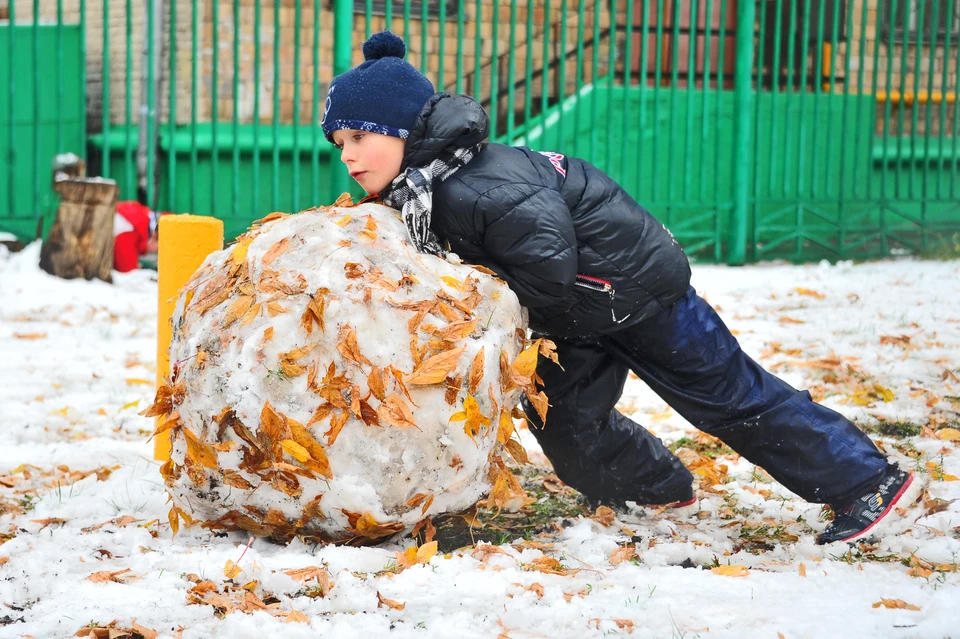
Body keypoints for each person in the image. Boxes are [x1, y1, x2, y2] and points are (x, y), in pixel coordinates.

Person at [320, 31, 921, 545]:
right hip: (577, 316)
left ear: (400, 128)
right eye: (339, 144)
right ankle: (657, 491)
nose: (347, 157)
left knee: (731, 400)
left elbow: (546, 272)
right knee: (566, 425)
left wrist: (467, 305)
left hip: (639, 296)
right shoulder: (431, 186)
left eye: (357, 138)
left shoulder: (478, 185)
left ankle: (870, 484)